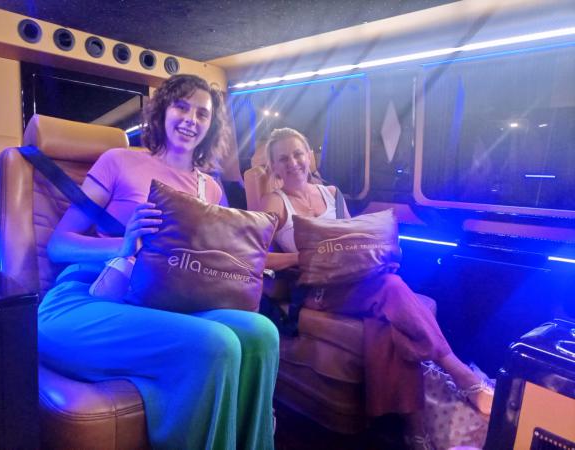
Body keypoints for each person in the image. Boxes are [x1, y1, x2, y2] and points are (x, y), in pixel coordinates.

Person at [38, 74, 279, 450]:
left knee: (262, 333)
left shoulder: (212, 188)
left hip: (167, 302)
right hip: (91, 294)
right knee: (214, 343)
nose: (191, 119)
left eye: (202, 113)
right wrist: (122, 245)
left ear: (211, 125)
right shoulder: (119, 161)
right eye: (182, 106)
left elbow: (208, 262)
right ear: (163, 110)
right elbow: (58, 245)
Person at [259, 127, 493, 450]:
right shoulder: (275, 201)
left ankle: (414, 428)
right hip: (314, 290)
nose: (293, 163)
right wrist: (303, 256)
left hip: (352, 280)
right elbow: (255, 253)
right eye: (283, 158)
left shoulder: (331, 193)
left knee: (387, 323)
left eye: (298, 154)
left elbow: (352, 236)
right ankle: (460, 373)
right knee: (391, 285)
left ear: (309, 156)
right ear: (273, 166)